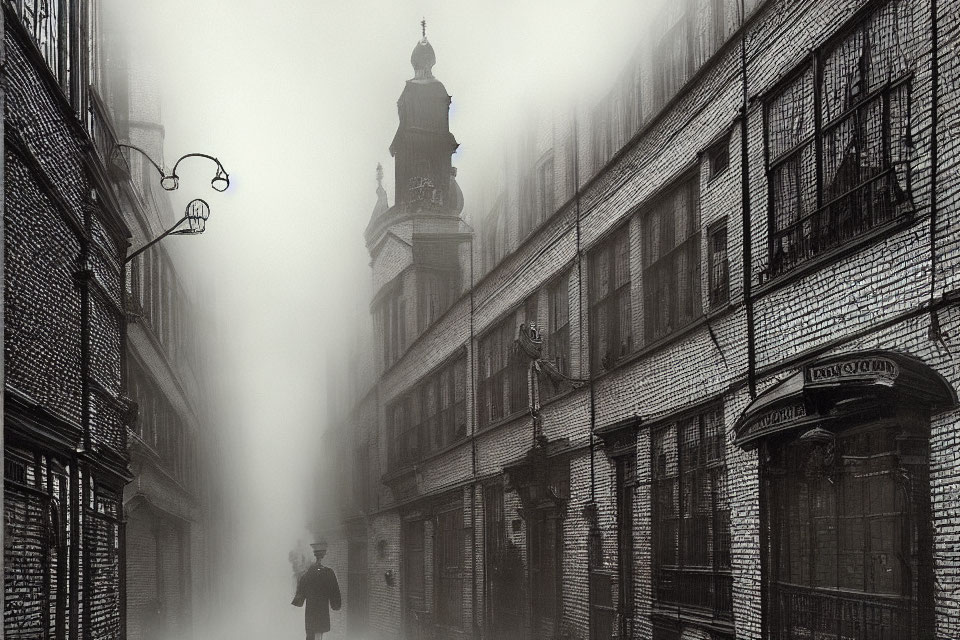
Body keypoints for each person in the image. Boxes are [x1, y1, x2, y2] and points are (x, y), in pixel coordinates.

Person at [291, 539, 341, 640]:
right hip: (322, 611)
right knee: (319, 633)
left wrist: (298, 601)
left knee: (311, 634)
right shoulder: (329, 573)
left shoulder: (306, 575)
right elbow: (334, 592)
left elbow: (299, 598)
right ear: (323, 556)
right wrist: (335, 604)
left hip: (311, 612)